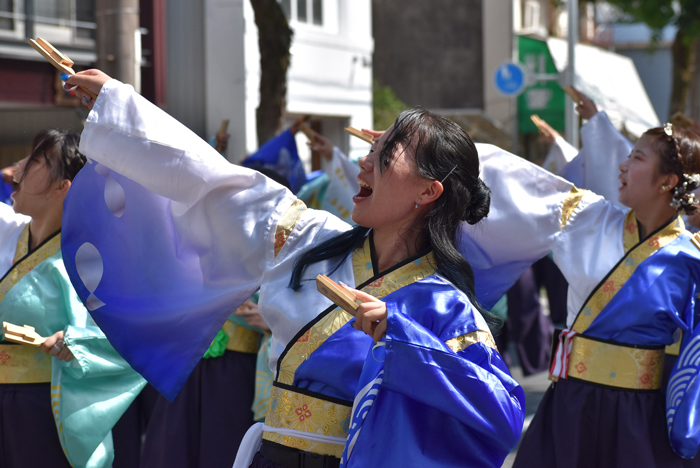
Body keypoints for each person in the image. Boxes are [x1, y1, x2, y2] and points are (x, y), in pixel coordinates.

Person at [62, 70, 525, 468]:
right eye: (372, 146)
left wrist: (402, 338)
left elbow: (502, 414)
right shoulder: (307, 240)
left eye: (385, 153)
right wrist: (118, 105)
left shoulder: (444, 306)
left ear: (428, 192)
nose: (364, 161)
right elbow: (216, 180)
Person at [455, 121, 700, 466]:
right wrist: (436, 156)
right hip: (570, 402)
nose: (623, 164)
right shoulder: (589, 219)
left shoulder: (691, 261)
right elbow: (515, 182)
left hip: (639, 416)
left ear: (668, 181)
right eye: (628, 155)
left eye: (638, 158)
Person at [0, 129, 145, 468]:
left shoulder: (93, 258)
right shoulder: (9, 230)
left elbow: (132, 338)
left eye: (35, 160)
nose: (18, 167)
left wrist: (78, 342)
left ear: (61, 187)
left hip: (43, 409)